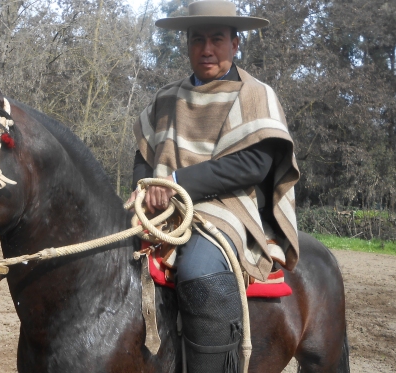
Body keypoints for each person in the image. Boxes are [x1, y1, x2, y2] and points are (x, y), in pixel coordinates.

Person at [128, 1, 300, 372]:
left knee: (199, 271)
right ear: (187, 44)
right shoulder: (165, 98)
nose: (206, 49)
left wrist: (175, 183)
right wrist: (145, 187)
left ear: (235, 43)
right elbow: (144, 153)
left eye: (217, 39)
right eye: (197, 39)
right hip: (162, 209)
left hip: (226, 209)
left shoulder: (256, 95)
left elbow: (255, 164)